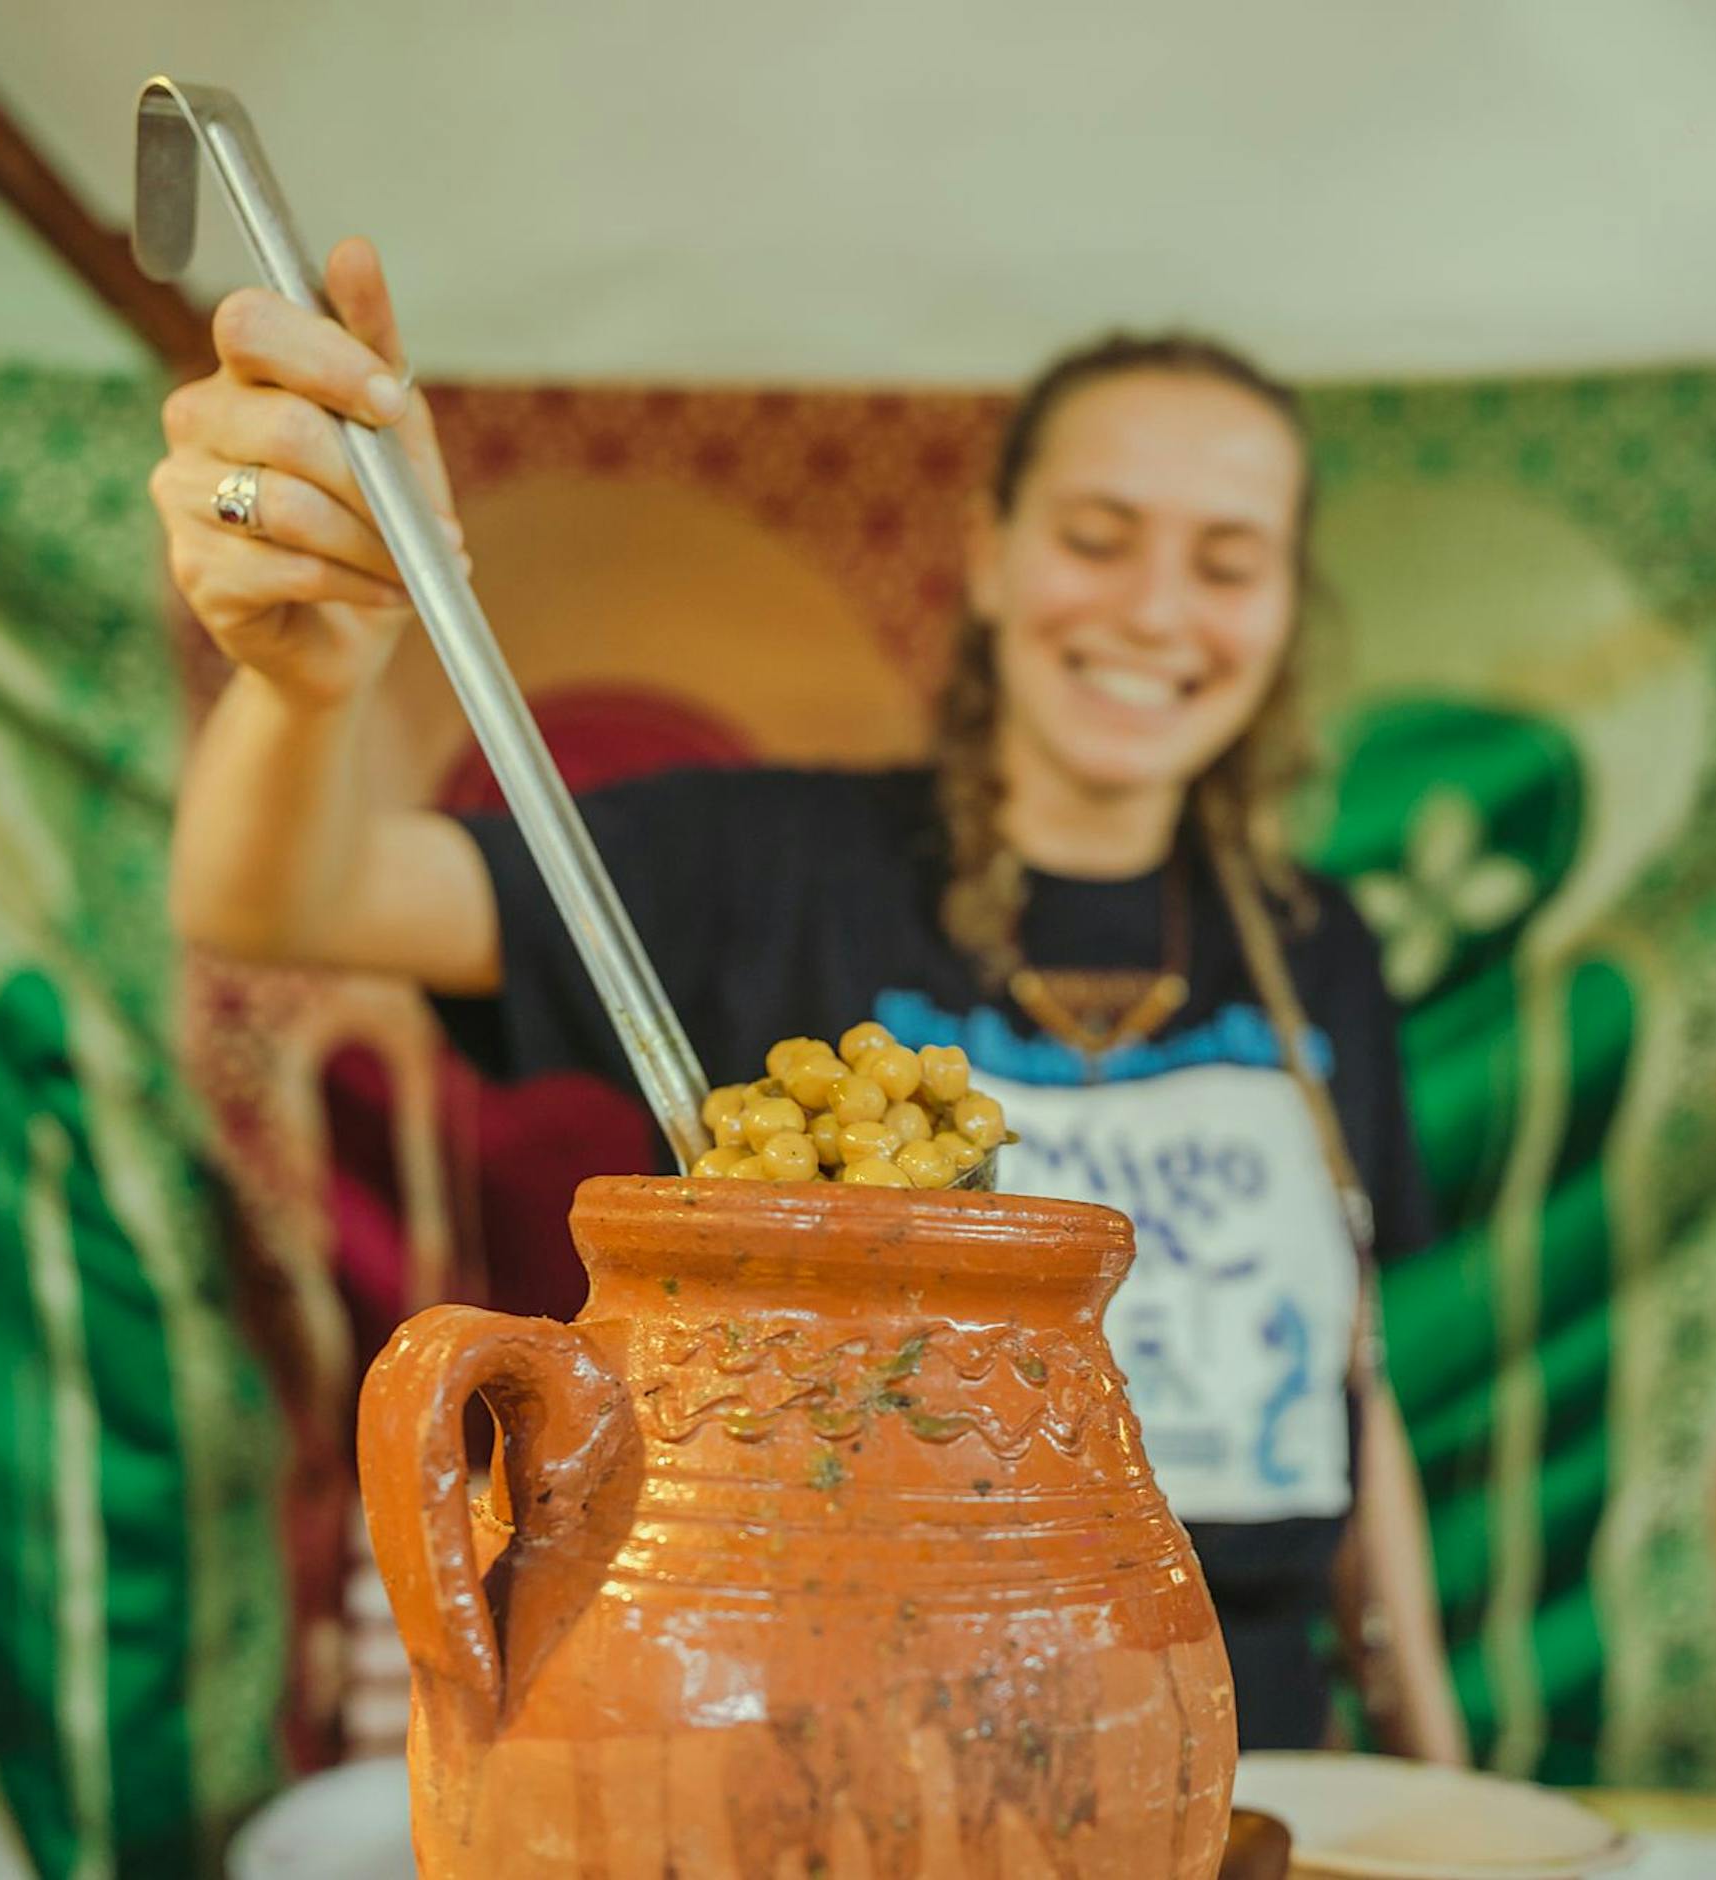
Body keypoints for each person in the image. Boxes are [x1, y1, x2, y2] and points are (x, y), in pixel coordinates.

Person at [152, 236, 1468, 1759]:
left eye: (1229, 562)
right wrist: (310, 683)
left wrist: (1444, 1769)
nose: (1159, 610)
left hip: (1254, 1751)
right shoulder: (759, 861)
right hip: (832, 1743)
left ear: (1284, 606)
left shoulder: (1322, 946)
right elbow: (273, 901)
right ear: (989, 552)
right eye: (1099, 537)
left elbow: (1349, 1395)